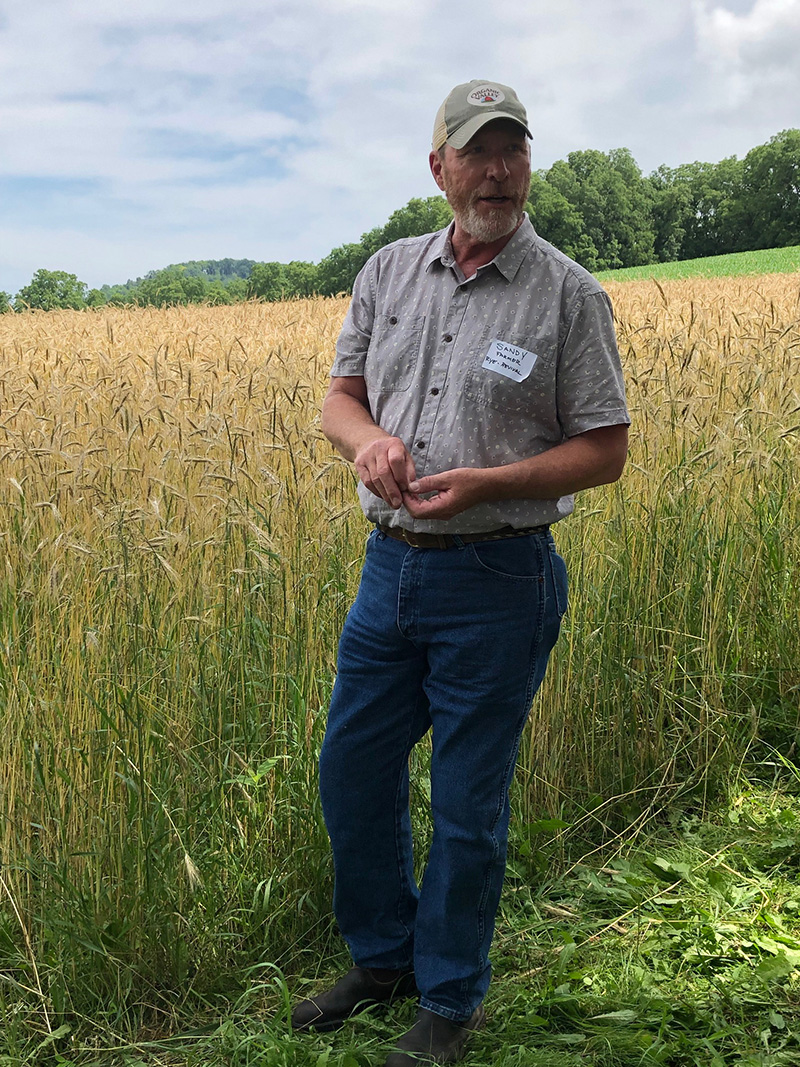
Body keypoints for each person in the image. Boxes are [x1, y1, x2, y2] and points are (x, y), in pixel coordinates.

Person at [291, 79, 630, 1065]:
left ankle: (448, 996)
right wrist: (365, 446)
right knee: (350, 774)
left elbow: (602, 449)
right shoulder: (388, 270)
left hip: (497, 581)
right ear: (436, 167)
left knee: (467, 800)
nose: (495, 170)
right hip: (385, 574)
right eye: (475, 151)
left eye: (511, 151)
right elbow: (338, 399)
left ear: (527, 165)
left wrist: (495, 481)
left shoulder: (567, 294)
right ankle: (384, 956)